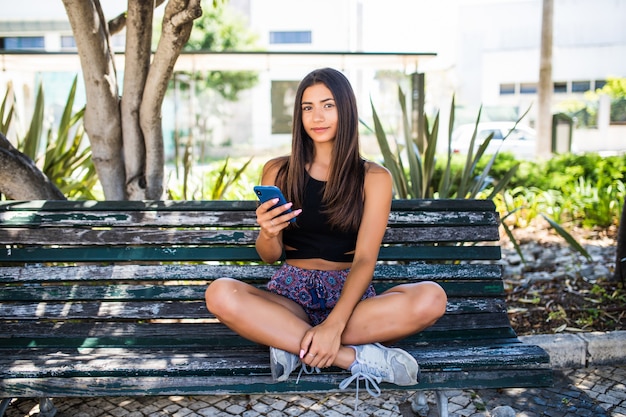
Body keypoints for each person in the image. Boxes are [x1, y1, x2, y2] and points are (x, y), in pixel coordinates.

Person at [205, 67, 447, 402]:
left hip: (351, 301)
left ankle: (292, 346)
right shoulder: (278, 170)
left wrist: (334, 325)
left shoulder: (374, 177)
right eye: (307, 107)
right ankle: (357, 358)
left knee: (432, 297)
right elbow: (269, 256)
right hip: (290, 299)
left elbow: (364, 259)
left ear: (345, 109)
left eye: (327, 105)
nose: (317, 116)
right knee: (219, 293)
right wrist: (268, 232)